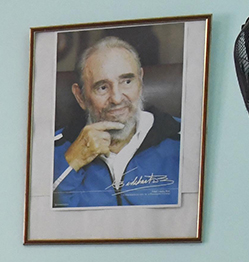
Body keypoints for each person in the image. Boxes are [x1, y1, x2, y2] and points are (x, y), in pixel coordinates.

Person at [52, 36, 181, 208]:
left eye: (127, 81)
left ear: (140, 81)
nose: (117, 99)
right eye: (102, 87)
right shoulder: (51, 149)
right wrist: (72, 161)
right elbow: (42, 214)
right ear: (80, 96)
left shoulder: (184, 139)